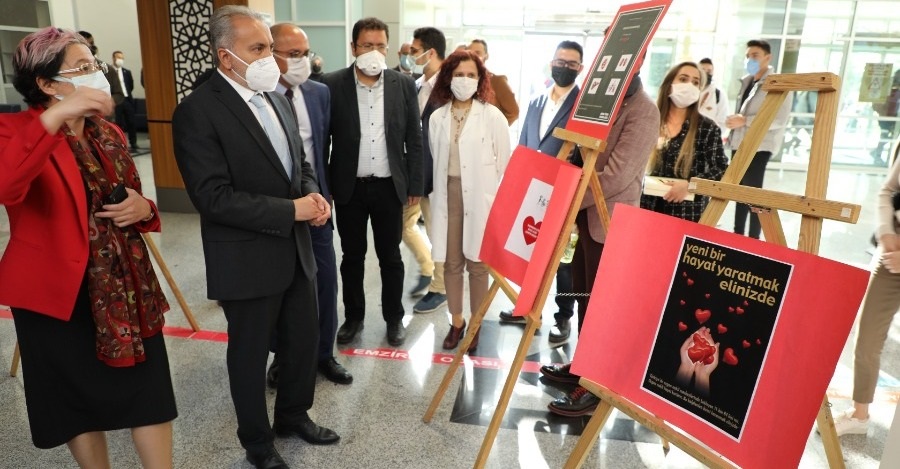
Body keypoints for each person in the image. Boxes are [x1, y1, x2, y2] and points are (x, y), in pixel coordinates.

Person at [0, 27, 176, 468]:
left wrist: (143, 207)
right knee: (76, 402)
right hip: (57, 295)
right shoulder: (14, 130)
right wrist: (55, 119)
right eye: (81, 68)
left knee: (150, 393)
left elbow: (138, 200)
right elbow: (7, 185)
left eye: (93, 63)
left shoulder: (110, 134)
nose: (94, 74)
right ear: (46, 83)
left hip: (126, 287)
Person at [172, 6, 338, 468]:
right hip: (246, 258)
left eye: (270, 46)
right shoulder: (197, 111)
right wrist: (292, 210)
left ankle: (293, 416)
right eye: (259, 49)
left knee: (301, 342)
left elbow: (299, 165)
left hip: (295, 249)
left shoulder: (277, 97)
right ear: (227, 57)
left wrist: (312, 196)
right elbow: (213, 197)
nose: (272, 58)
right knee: (248, 356)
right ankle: (258, 443)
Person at [541, 50, 660, 417]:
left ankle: (595, 385)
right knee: (581, 295)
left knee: (601, 306)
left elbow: (619, 175)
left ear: (638, 65)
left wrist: (569, 200)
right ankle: (582, 366)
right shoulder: (600, 103)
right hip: (585, 222)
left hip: (610, 223)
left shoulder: (643, 110)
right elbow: (581, 152)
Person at [322, 17, 424, 347]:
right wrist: (325, 187)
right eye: (367, 45)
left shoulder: (403, 84)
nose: (374, 51)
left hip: (389, 186)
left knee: (390, 257)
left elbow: (415, 138)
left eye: (380, 45)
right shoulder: (332, 84)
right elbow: (324, 141)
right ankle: (353, 318)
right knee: (351, 257)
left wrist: (416, 186)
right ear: (353, 48)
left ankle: (394, 318)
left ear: (389, 47)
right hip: (348, 187)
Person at [269, 23, 352, 385]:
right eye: (292, 54)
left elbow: (322, 151)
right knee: (280, 288)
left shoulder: (319, 93)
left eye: (304, 52)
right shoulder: (260, 96)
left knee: (324, 282)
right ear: (271, 55)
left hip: (317, 207)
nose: (301, 60)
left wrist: (326, 197)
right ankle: (282, 357)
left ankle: (323, 354)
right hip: (274, 212)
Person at [497, 40, 585, 343]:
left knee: (565, 261)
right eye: (561, 61)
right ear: (552, 63)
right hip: (534, 191)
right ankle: (527, 308)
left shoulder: (583, 106)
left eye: (572, 64)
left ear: (581, 69)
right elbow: (524, 145)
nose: (565, 67)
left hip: (566, 193)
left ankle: (564, 319)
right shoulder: (535, 101)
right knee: (530, 249)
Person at [427, 50, 511, 351]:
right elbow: (436, 159)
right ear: (448, 76)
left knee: (477, 265)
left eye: (471, 75)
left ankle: (475, 325)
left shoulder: (492, 116)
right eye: (459, 74)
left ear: (480, 79)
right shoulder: (437, 116)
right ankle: (457, 322)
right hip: (447, 194)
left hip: (480, 196)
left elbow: (506, 164)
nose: (464, 80)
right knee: (451, 263)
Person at [831, 154, 900, 436]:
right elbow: (888, 190)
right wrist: (886, 233)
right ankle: (860, 415)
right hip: (891, 255)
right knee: (867, 338)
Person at [640, 61, 728, 222]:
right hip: (646, 209)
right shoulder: (650, 120)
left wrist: (690, 186)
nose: (689, 85)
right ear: (669, 85)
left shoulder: (707, 129)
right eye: (683, 79)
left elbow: (722, 170)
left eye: (695, 82)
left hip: (686, 215)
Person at [726, 39, 793, 239]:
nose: (750, 59)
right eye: (747, 56)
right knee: (738, 191)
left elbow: (778, 119)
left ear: (767, 57)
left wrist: (745, 121)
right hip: (739, 143)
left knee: (754, 194)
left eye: (755, 55)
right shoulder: (747, 81)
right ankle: (737, 235)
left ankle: (753, 238)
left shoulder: (778, 83)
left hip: (760, 146)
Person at [409, 26, 449, 315]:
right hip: (414, 174)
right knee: (403, 226)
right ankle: (426, 267)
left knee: (438, 233)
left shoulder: (448, 87)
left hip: (437, 175)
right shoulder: (417, 84)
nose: (411, 55)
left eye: (414, 50)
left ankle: (440, 288)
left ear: (429, 52)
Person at [467, 38, 519, 125]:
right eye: (470, 53)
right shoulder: (463, 81)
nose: (473, 56)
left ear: (486, 56)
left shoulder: (497, 82)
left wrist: (494, 130)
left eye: (477, 53)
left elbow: (513, 112)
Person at [107, 50, 138, 151]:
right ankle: (121, 144)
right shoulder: (110, 71)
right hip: (117, 100)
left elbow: (131, 85)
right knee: (118, 123)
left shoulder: (126, 72)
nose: (120, 60)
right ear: (113, 58)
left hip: (127, 99)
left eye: (122, 58)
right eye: (118, 58)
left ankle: (133, 143)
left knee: (131, 122)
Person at [872, 70, 900, 165]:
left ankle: (880, 155)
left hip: (892, 117)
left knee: (890, 137)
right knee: (886, 136)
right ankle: (878, 154)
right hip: (887, 117)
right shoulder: (889, 87)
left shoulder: (895, 89)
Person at [697, 58, 728, 132]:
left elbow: (722, 122)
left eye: (709, 71)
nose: (705, 73)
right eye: (703, 70)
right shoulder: (690, 90)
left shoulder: (719, 94)